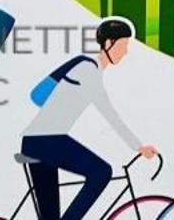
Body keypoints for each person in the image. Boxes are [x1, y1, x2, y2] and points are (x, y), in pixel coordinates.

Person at [21, 16, 156, 220]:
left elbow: (38, 97)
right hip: (46, 140)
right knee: (101, 173)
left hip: (35, 142)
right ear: (108, 44)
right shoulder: (88, 70)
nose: (125, 52)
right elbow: (111, 116)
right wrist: (139, 147)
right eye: (122, 46)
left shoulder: (88, 69)